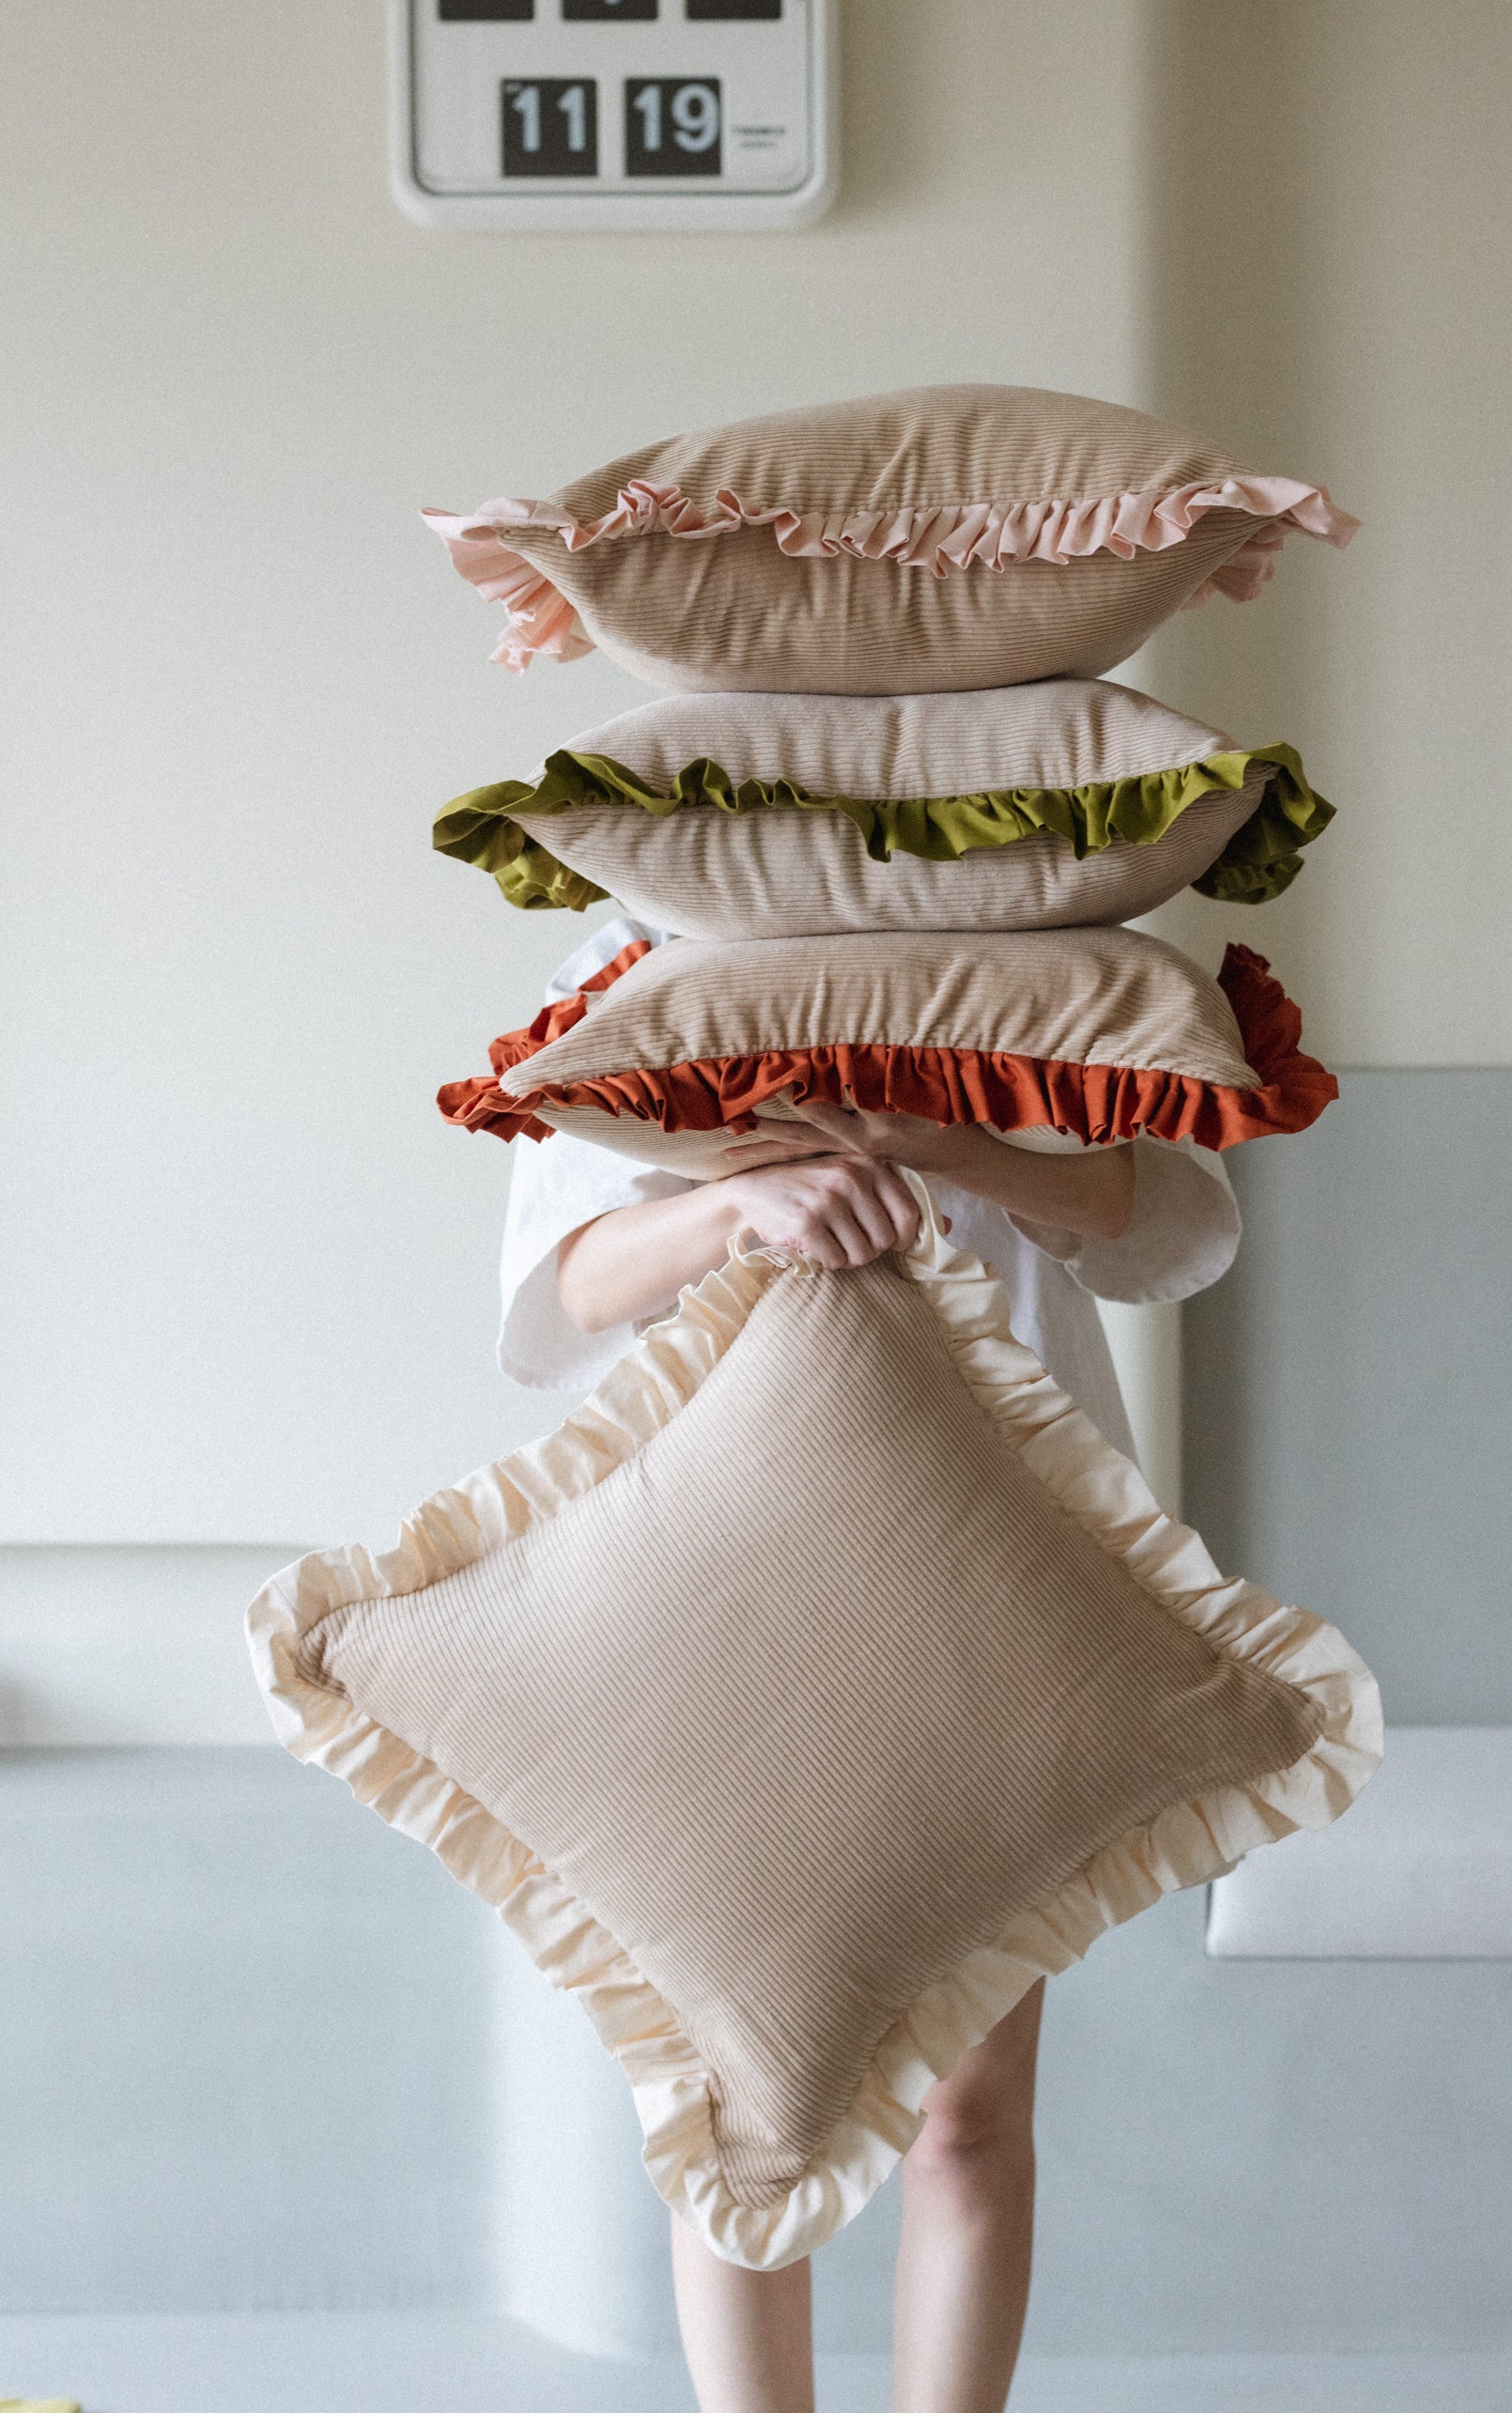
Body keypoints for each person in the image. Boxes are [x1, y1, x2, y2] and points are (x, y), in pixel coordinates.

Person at [498, 914, 1242, 2413]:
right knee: (741, 2088)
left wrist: (947, 1140)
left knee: (967, 2106)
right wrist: (746, 1202)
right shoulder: (642, 946)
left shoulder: (1048, 941)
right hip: (721, 1559)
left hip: (1008, 1550)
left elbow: (1147, 1209)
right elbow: (565, 1286)